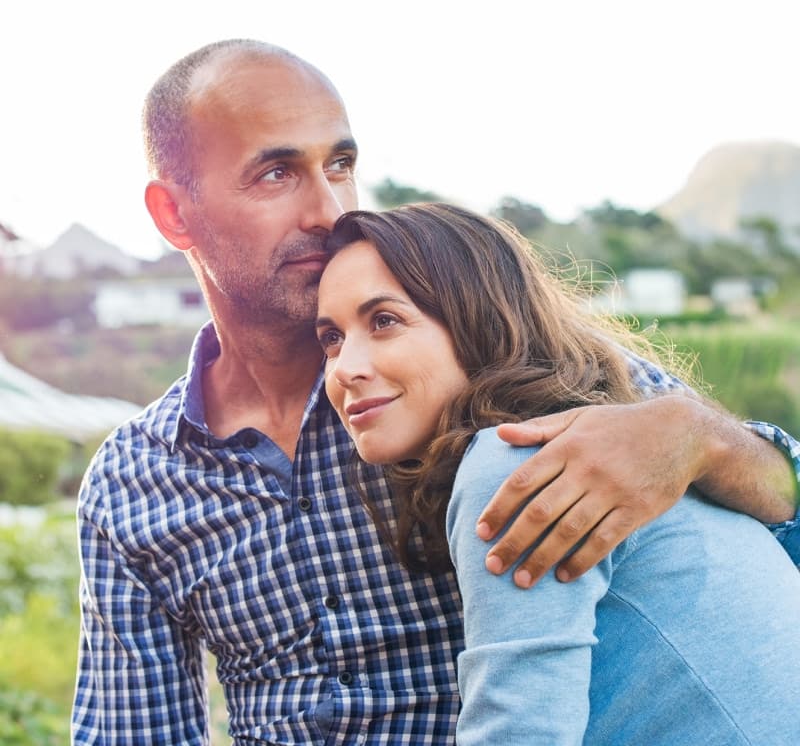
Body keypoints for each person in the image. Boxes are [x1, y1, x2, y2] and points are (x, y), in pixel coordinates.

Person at [72, 39, 800, 744]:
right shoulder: (132, 483)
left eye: (342, 165)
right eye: (276, 174)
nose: (326, 209)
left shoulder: (508, 377)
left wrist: (696, 437)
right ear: (174, 214)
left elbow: (781, 510)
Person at [317, 202, 800, 745]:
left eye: (384, 321)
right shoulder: (596, 431)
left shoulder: (519, 459)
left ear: (476, 319)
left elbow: (519, 734)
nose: (344, 368)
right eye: (331, 337)